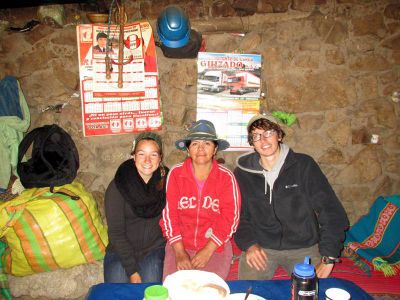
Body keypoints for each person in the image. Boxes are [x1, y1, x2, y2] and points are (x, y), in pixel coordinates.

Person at [234, 113, 349, 280]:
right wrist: (249, 245)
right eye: (256, 136)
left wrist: (329, 257)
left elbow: (330, 210)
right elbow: (238, 215)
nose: (263, 140)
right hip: (262, 247)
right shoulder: (243, 173)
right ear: (251, 143)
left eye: (268, 133)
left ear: (279, 135)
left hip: (304, 247)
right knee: (248, 292)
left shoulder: (303, 166)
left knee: (314, 292)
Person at [160, 120, 241, 280]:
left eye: (207, 143)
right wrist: (179, 252)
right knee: (173, 289)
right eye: (195, 144)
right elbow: (169, 215)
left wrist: (208, 250)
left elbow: (230, 218)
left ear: (215, 149)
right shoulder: (176, 174)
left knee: (209, 291)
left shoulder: (226, 177)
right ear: (188, 149)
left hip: (215, 246)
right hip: (179, 243)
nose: (201, 149)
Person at [104, 132, 168, 283]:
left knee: (150, 291)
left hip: (153, 249)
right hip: (120, 251)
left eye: (153, 155)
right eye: (141, 154)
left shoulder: (168, 183)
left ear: (160, 158)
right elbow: (115, 232)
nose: (147, 160)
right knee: (118, 291)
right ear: (133, 156)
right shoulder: (118, 186)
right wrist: (132, 270)